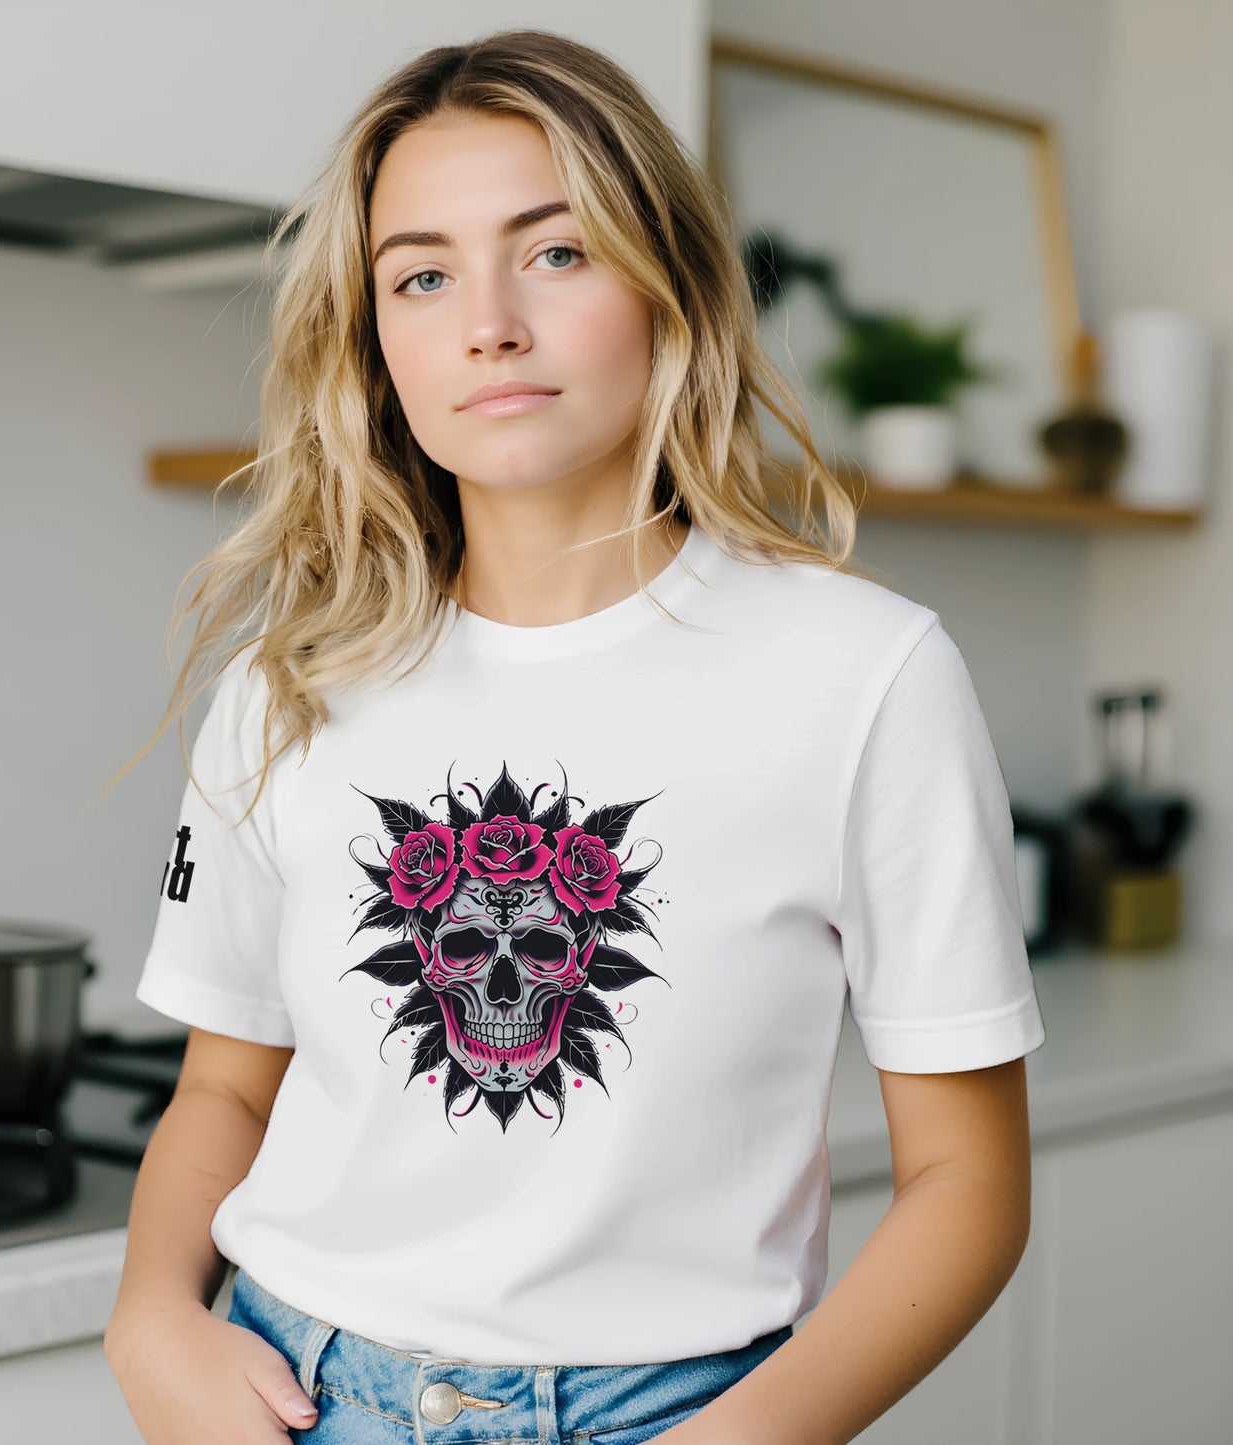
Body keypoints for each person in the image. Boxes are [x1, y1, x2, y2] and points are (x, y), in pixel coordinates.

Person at [103, 28, 1046, 1445]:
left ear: (667, 287)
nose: (487, 321)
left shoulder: (863, 675)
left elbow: (967, 1181)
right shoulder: (289, 681)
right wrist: (147, 1319)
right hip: (288, 1394)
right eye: (422, 275)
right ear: (376, 345)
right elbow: (227, 1082)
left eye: (553, 253)